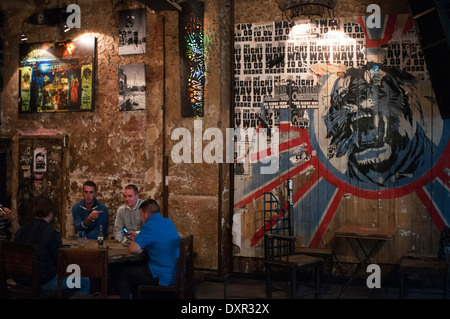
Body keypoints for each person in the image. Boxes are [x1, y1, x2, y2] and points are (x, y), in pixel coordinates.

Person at [14, 197, 90, 295]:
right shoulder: (51, 234)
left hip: (21, 281)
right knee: (84, 280)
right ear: (50, 213)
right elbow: (61, 262)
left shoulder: (21, 230)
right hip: (43, 283)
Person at [112, 199, 180, 299]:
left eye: (141, 214)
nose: (141, 217)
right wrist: (139, 238)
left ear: (146, 213)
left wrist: (137, 241)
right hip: (175, 271)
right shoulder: (167, 221)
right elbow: (157, 239)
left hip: (161, 275)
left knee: (120, 273)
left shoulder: (150, 225)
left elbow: (133, 249)